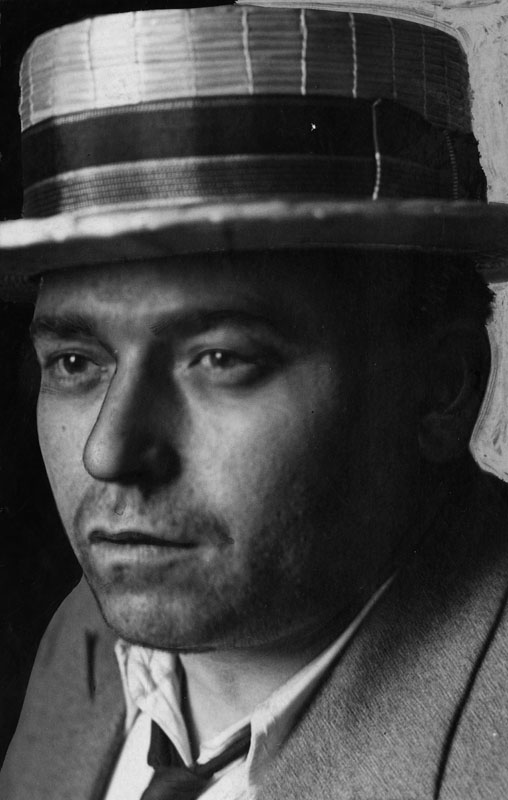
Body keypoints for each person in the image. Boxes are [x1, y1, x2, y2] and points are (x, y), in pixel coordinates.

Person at [2, 2, 508, 798]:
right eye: (75, 362)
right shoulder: (88, 637)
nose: (108, 450)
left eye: (221, 358)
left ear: (443, 389)